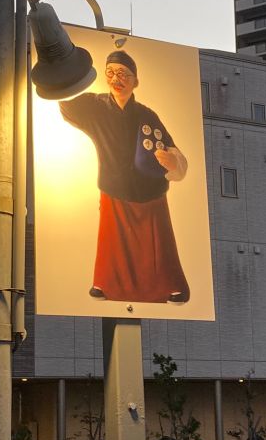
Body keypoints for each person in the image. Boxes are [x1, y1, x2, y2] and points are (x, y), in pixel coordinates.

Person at [59, 50, 190, 304]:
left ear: (135, 81)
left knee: (159, 245)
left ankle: (172, 286)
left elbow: (173, 151)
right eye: (110, 73)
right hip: (113, 186)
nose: (116, 78)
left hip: (150, 190)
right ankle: (104, 285)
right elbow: (64, 103)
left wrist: (173, 162)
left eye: (122, 74)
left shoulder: (147, 114)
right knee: (112, 243)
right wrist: (66, 72)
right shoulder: (94, 106)